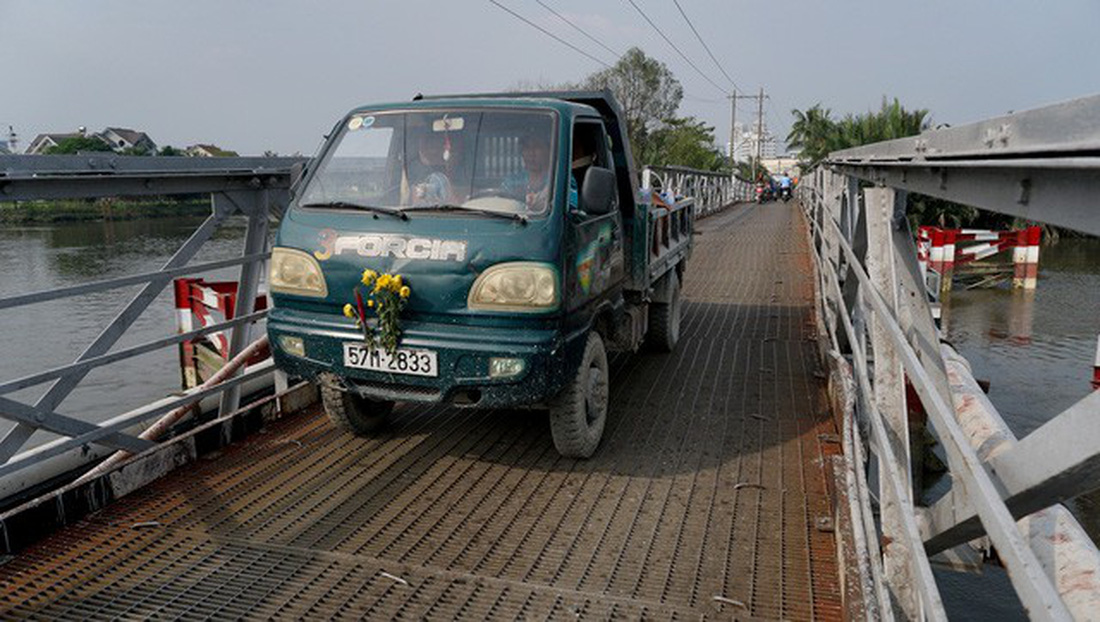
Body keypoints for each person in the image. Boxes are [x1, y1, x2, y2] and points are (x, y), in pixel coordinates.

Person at [411, 133, 454, 205]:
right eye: (429, 147)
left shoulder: (460, 173)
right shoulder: (413, 170)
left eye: (436, 147)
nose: (433, 151)